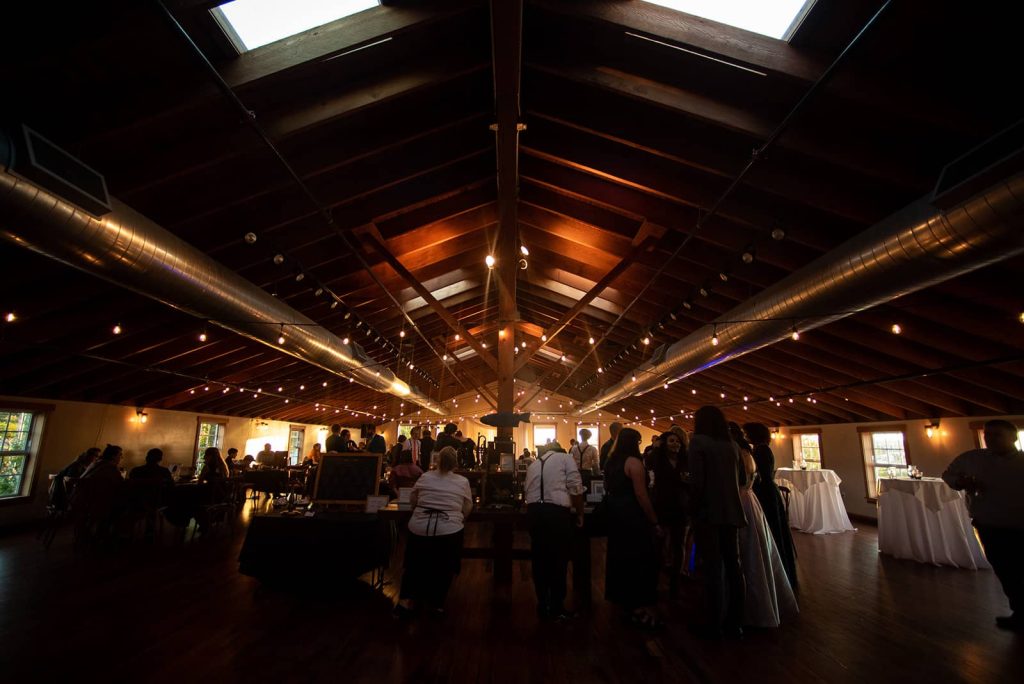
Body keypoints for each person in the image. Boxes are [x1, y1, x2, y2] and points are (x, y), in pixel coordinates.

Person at [943, 419, 1024, 631]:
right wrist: (961, 482)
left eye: (997, 435)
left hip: (1019, 526)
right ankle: (1019, 612)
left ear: (1013, 437)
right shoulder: (973, 458)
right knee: (1004, 569)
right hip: (988, 524)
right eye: (987, 434)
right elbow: (948, 474)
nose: (990, 439)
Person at [395, 446, 473, 618]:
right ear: (455, 463)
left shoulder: (425, 477)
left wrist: (418, 511)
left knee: (413, 565)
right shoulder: (462, 481)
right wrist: (460, 518)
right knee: (444, 567)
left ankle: (405, 601)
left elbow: (413, 499)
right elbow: (467, 505)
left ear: (437, 461)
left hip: (420, 526)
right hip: (449, 528)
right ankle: (436, 603)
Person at [690, 406, 746, 638]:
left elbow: (697, 483)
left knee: (712, 568)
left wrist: (693, 508)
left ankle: (713, 623)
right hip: (731, 512)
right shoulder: (732, 445)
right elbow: (742, 479)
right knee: (733, 566)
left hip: (708, 513)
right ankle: (736, 621)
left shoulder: (698, 442)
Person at [735, 434, 798, 628]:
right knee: (761, 546)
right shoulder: (750, 456)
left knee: (751, 550)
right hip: (752, 500)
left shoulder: (745, 457)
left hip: (744, 501)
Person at [604, 428, 663, 629]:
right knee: (639, 558)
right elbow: (641, 494)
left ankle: (623, 600)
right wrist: (654, 521)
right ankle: (639, 605)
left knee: (619, 556)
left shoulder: (611, 461)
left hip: (616, 513)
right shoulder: (634, 462)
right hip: (632, 514)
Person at [525, 439, 585, 620]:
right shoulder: (566, 458)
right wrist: (580, 513)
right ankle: (557, 606)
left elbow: (527, 489)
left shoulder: (534, 464)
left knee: (539, 559)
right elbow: (576, 487)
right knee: (559, 559)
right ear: (562, 450)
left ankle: (542, 604)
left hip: (534, 512)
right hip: (556, 513)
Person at [743, 422, 798, 590]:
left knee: (774, 530)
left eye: (747, 433)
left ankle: (779, 574)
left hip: (766, 493)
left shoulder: (760, 450)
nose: (745, 436)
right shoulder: (762, 449)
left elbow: (762, 474)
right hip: (768, 491)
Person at [651, 430, 688, 597]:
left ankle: (675, 583)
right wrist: (656, 447)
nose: (676, 444)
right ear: (665, 444)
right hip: (662, 505)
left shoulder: (685, 460)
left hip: (680, 507)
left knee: (678, 545)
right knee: (659, 545)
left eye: (678, 441)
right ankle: (655, 583)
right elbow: (649, 462)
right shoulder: (659, 459)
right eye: (672, 441)